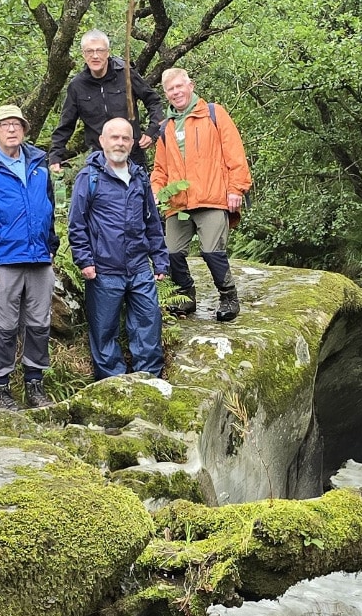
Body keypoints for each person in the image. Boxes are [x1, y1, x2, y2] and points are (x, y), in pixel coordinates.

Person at [0, 104, 58, 411]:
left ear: (24, 129)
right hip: (2, 261)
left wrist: (51, 247)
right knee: (2, 328)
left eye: (17, 124)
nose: (12, 129)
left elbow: (48, 208)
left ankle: (34, 384)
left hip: (39, 260)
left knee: (39, 325)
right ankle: (1, 388)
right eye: (5, 125)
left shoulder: (40, 164)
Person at [68, 118, 167, 379]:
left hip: (139, 268)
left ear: (132, 143)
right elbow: (76, 224)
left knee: (148, 325)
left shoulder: (140, 178)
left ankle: (149, 381)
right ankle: (113, 385)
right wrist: (84, 260)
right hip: (103, 269)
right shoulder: (88, 177)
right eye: (114, 137)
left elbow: (152, 222)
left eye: (125, 138)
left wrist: (160, 260)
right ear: (102, 141)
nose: (120, 143)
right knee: (104, 332)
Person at [150, 67, 251, 323]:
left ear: (190, 85)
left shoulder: (214, 114)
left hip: (212, 198)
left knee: (211, 251)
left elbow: (235, 153)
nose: (176, 93)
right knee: (171, 252)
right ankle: (185, 294)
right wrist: (154, 193)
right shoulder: (166, 128)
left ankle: (228, 296)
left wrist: (236, 188)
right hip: (179, 205)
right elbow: (160, 169)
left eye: (179, 86)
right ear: (166, 94)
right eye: (170, 90)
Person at [48, 31, 165, 173]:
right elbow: (66, 125)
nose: (95, 56)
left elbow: (153, 100)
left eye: (100, 50)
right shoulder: (77, 86)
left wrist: (152, 132)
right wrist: (55, 157)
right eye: (89, 51)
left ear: (107, 52)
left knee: (137, 194)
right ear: (83, 55)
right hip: (99, 160)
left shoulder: (125, 73)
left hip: (132, 155)